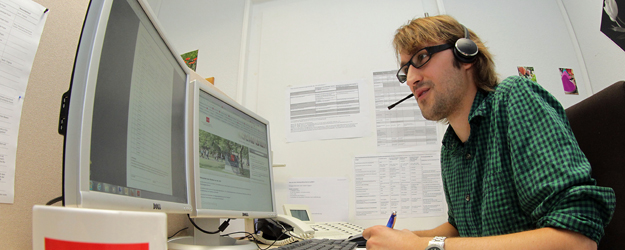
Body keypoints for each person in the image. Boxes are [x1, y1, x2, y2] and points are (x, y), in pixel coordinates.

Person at [361, 15, 616, 250]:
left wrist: (422, 247)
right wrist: (407, 238)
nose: (411, 79)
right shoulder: (451, 147)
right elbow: (461, 227)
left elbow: (577, 240)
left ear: (465, 55)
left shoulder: (514, 97)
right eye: (405, 70)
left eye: (421, 58)